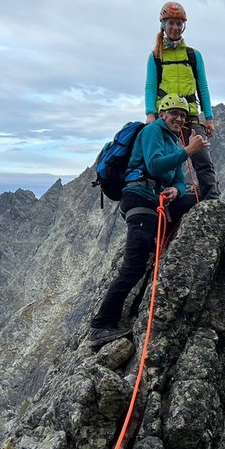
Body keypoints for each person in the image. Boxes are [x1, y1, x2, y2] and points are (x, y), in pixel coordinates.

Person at [88, 94, 208, 348]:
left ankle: (167, 241)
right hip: (139, 200)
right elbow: (153, 166)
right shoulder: (152, 131)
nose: (179, 118)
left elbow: (176, 178)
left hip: (156, 200)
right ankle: (100, 325)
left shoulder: (173, 143)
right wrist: (188, 151)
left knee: (201, 200)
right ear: (163, 113)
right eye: (174, 113)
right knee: (133, 267)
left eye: (183, 115)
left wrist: (176, 190)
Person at [146, 1, 220, 200]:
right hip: (165, 117)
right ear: (163, 25)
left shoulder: (193, 55)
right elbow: (151, 87)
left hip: (190, 115)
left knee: (202, 159)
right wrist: (150, 114)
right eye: (171, 23)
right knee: (161, 161)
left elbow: (202, 87)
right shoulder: (156, 57)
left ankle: (211, 203)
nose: (175, 28)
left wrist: (209, 117)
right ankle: (161, 201)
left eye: (179, 24)